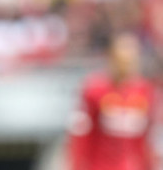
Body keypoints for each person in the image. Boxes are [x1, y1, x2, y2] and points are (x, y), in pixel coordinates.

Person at [66, 31, 157, 170]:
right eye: (122, 59)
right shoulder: (94, 90)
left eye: (130, 60)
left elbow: (147, 137)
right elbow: (81, 135)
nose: (126, 65)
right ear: (111, 58)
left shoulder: (145, 91)